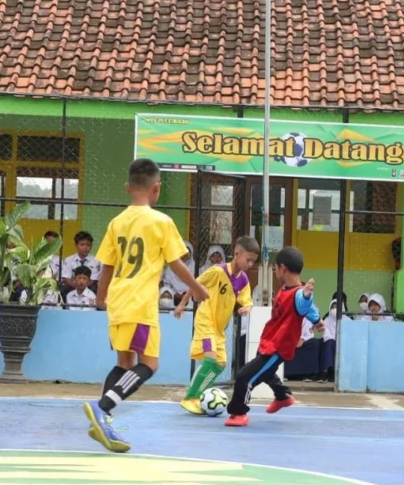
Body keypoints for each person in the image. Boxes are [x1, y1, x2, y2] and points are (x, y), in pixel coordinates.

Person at [83, 159, 208, 453]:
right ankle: (102, 408)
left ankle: (102, 421)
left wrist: (101, 299)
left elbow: (107, 266)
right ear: (157, 189)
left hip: (118, 301)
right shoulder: (161, 222)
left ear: (128, 188)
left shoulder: (117, 222)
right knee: (149, 364)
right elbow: (176, 263)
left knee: (124, 363)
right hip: (140, 305)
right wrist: (198, 288)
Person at [225, 246, 321, 428]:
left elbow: (303, 303)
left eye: (275, 268)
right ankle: (282, 395)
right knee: (264, 370)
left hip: (278, 348)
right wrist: (316, 320)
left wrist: (308, 296)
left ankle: (238, 412)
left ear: (283, 268)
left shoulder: (298, 294)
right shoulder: (285, 289)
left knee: (245, 377)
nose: (275, 271)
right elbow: (306, 309)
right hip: (270, 342)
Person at [175, 236, 259, 414]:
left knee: (220, 364)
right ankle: (191, 397)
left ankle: (200, 394)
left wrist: (247, 308)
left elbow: (247, 301)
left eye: (253, 261)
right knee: (211, 357)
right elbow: (195, 283)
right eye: (248, 259)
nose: (250, 264)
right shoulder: (218, 271)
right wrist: (182, 304)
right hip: (205, 321)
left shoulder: (243, 280)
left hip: (219, 329)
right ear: (237, 254)